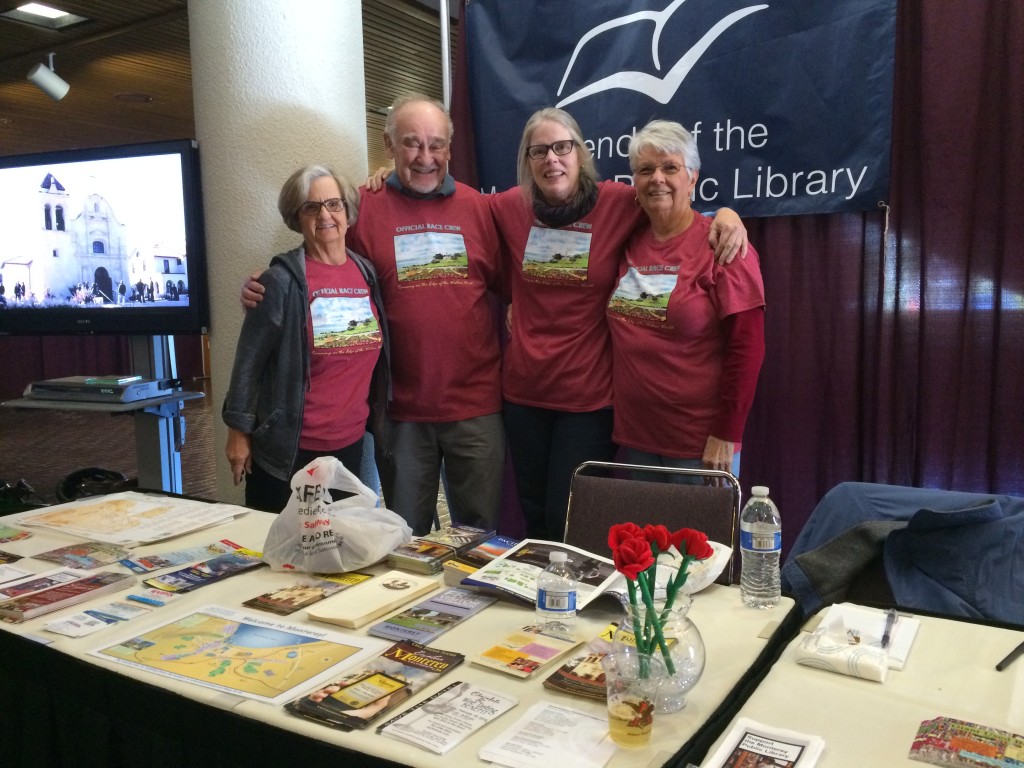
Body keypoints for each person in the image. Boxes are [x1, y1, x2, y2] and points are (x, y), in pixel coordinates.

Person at [242, 95, 504, 535]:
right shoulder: (360, 206)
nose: (425, 157)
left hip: (475, 408)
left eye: (436, 145)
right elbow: (324, 259)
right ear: (389, 145)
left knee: (478, 536)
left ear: (450, 149)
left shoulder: (479, 208)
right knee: (402, 535)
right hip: (398, 411)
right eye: (411, 144)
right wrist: (268, 282)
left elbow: (514, 288)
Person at [486, 107, 749, 538]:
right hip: (525, 393)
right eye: (540, 151)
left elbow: (669, 196)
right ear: (528, 161)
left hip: (589, 398)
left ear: (580, 153)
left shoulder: (618, 202)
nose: (552, 158)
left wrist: (728, 215)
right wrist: (387, 181)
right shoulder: (509, 207)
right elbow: (455, 211)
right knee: (535, 514)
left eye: (562, 147)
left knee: (571, 518)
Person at [222, 165, 389, 513]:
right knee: (282, 556)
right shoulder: (280, 281)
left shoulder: (366, 273)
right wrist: (237, 431)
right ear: (297, 218)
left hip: (350, 444)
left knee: (336, 551)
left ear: (348, 211)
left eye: (334, 204)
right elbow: (248, 362)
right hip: (289, 448)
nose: (325, 214)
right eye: (311, 207)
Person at [607, 120, 765, 481]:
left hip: (700, 448)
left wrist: (727, 434)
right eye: (645, 169)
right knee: (642, 540)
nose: (657, 178)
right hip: (636, 442)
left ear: (693, 178)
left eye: (670, 167)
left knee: (701, 541)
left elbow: (748, 348)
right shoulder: (628, 240)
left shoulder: (724, 246)